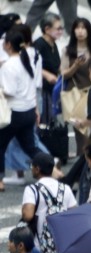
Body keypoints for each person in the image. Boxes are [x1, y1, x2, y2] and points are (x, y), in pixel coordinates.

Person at [23, 152, 76, 253]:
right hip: (60, 247)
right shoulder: (64, 189)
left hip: (39, 248)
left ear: (37, 169)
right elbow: (74, 213)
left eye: (32, 167)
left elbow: (28, 215)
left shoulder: (32, 189)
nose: (31, 169)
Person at [0, 29, 39, 193]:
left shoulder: (8, 65)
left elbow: (10, 91)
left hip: (14, 113)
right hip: (29, 110)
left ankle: (0, 181)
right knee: (30, 146)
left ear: (8, 44)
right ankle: (53, 170)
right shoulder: (27, 60)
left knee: (0, 145)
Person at [60, 18, 91, 153]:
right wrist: (75, 65)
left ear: (89, 31)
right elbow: (64, 74)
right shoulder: (67, 51)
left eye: (83, 28)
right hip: (75, 94)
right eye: (77, 28)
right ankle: (82, 157)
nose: (80, 31)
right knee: (79, 130)